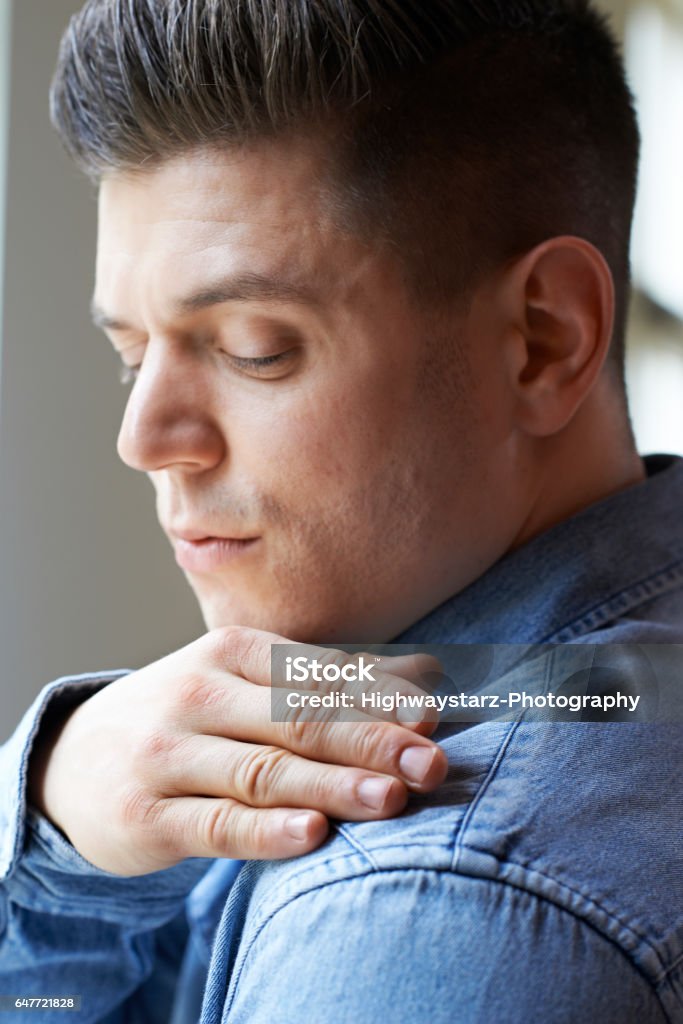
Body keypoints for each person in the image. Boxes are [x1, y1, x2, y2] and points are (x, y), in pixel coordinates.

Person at [1, 0, 682, 1020]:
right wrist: (58, 824)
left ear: (542, 339)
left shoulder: (433, 912)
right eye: (130, 355)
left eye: (252, 348)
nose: (143, 439)